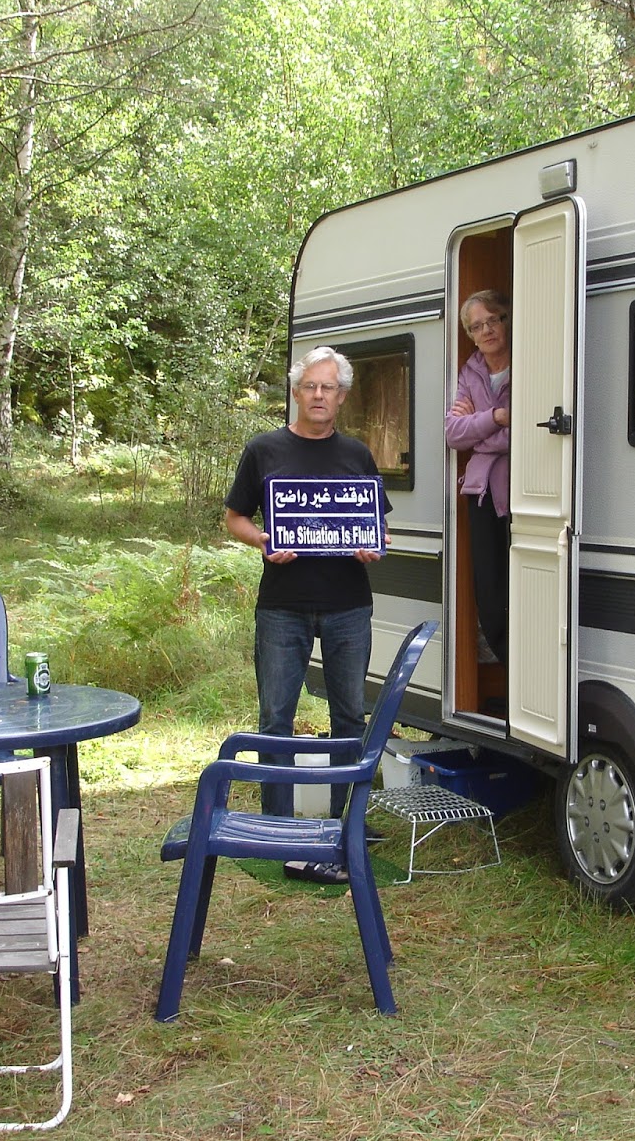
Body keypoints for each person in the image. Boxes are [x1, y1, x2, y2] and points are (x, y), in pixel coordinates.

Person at [224, 345, 391, 885]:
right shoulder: (264, 449)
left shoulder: (357, 455)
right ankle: (277, 828)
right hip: (282, 608)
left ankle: (346, 825)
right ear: (296, 392)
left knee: (350, 719)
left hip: (348, 606)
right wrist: (262, 540)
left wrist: (374, 544)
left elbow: (377, 525)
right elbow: (234, 517)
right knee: (276, 719)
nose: (319, 395)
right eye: (310, 386)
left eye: (328, 388)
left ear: (341, 397)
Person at [444, 289, 511, 671]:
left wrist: (478, 427)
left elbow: (528, 429)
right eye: (476, 326)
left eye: (492, 320)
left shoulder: (527, 361)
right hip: (481, 494)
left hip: (520, 490)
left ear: (505, 321)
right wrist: (496, 418)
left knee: (521, 586)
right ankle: (506, 665)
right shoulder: (470, 370)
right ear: (470, 335)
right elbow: (454, 434)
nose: (486, 331)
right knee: (489, 593)